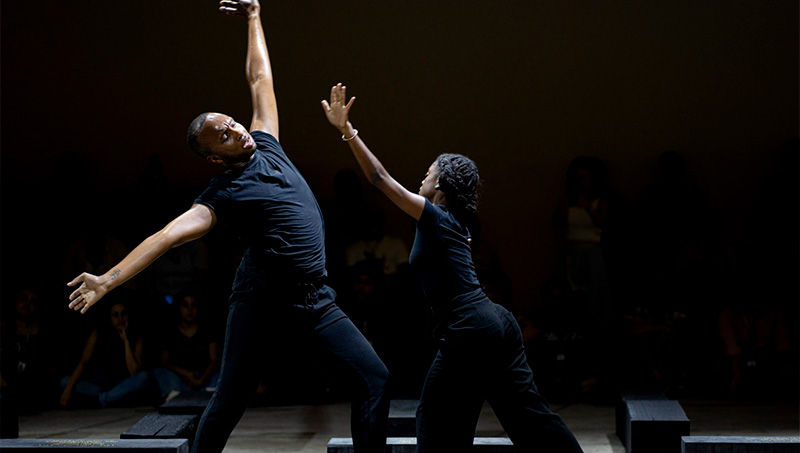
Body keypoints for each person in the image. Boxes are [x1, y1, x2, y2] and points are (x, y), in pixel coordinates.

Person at [66, 2, 389, 452]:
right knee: (231, 401)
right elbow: (163, 237)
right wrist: (107, 280)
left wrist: (255, 18)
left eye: (232, 123)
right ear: (216, 157)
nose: (237, 130)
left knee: (375, 378)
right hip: (260, 304)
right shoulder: (221, 195)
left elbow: (259, 79)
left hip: (314, 299)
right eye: (224, 136)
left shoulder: (267, 141)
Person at [322, 84, 583, 452]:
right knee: (526, 416)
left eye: (428, 172)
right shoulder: (452, 222)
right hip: (495, 323)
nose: (422, 177)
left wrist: (347, 131)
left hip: (470, 328)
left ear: (441, 182)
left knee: (434, 420)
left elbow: (379, 179)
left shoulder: (437, 218)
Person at [59, 299, 153, 408]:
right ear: (110, 318)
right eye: (115, 315)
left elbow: (134, 371)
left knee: (145, 377)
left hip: (122, 383)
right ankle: (110, 397)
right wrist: (68, 390)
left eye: (123, 314)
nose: (120, 319)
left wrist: (126, 341)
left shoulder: (136, 338)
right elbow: (83, 362)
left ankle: (105, 398)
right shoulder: (98, 333)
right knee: (65, 382)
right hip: (100, 384)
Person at [153, 292, 220, 401]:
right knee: (160, 372)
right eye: (185, 305)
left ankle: (200, 396)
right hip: (180, 377)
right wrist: (187, 374)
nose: (190, 310)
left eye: (193, 305)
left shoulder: (207, 329)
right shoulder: (170, 331)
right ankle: (182, 396)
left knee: (220, 376)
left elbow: (213, 359)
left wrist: (201, 380)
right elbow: (164, 361)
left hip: (204, 376)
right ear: (178, 308)